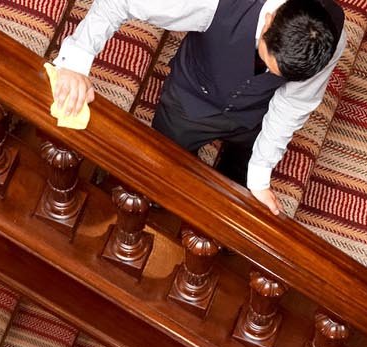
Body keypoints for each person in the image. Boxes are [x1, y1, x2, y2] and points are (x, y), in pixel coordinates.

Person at [49, 0, 343, 213]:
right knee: (161, 172)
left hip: (255, 117)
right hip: (191, 100)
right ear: (268, 21)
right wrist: (76, 61)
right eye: (267, 62)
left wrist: (260, 177)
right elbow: (120, 3)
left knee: (242, 182)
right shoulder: (208, 2)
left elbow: (292, 106)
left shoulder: (328, 36)